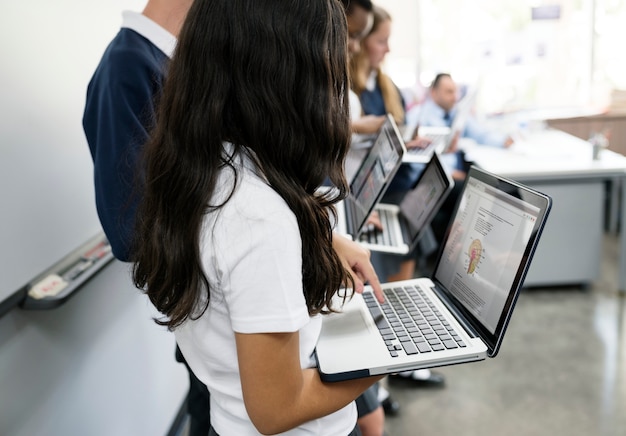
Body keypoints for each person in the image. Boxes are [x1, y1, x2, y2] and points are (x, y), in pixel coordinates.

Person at [83, 1, 384, 434]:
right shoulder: (257, 218)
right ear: (291, 76)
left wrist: (316, 239)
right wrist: (386, 355)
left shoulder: (215, 173)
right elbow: (276, 410)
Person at [350, 4, 446, 388]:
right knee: (384, 281)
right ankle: (387, 369)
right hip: (374, 194)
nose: (385, 49)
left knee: (410, 260)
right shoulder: (352, 90)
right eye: (380, 41)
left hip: (399, 186)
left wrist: (408, 140)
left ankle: (401, 357)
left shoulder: (387, 87)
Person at [341, 0, 400, 429]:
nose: (353, 46)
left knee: (371, 411)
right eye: (354, 36)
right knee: (371, 416)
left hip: (342, 221)